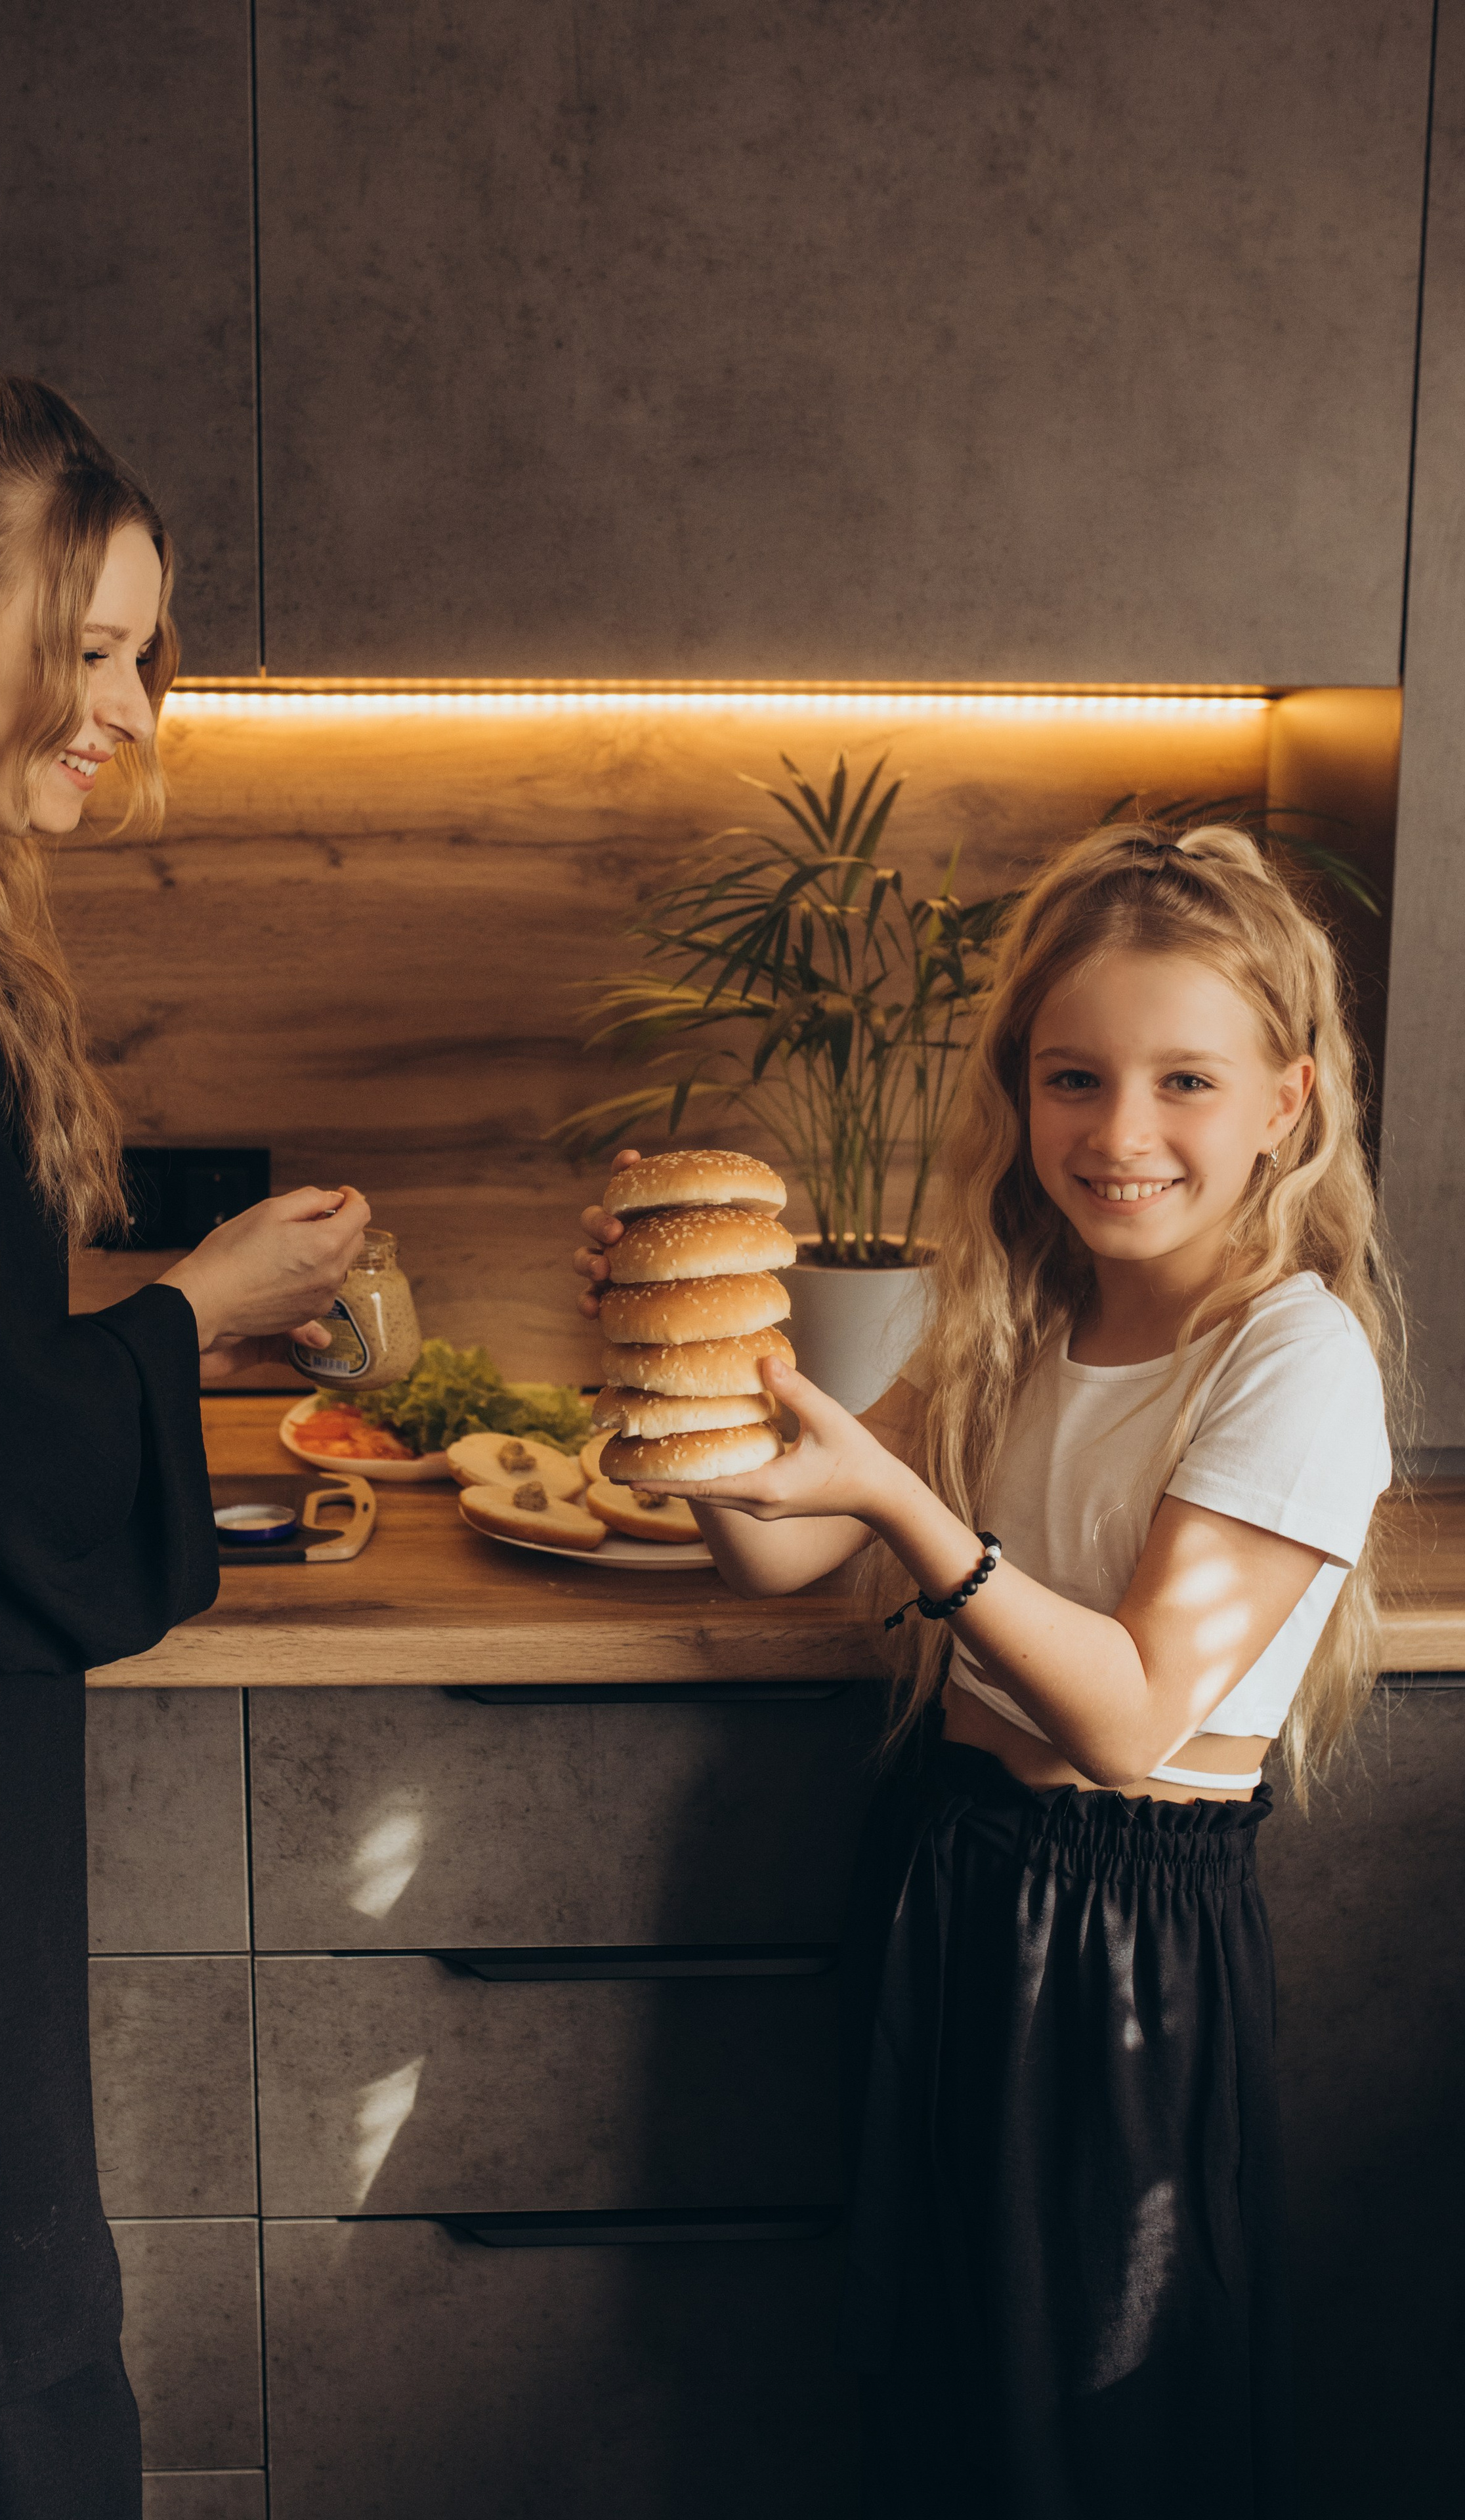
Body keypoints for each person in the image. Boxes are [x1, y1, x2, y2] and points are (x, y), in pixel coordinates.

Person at [574, 824, 1395, 2519]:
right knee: (940, 2376)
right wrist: (704, 1388)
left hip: (1121, 1931)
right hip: (954, 1871)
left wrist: (895, 1499)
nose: (1122, 1134)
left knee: (1086, 2411)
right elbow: (779, 1547)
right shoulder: (1020, 1312)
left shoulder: (1295, 1358)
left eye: (1186, 1081)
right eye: (1074, 1078)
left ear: (1286, 1103)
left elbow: (1128, 1716)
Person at [0, 346, 369, 2517]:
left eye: (144, 654)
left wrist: (148, 1340)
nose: (130, 707)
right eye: (91, 641)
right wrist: (197, 1314)